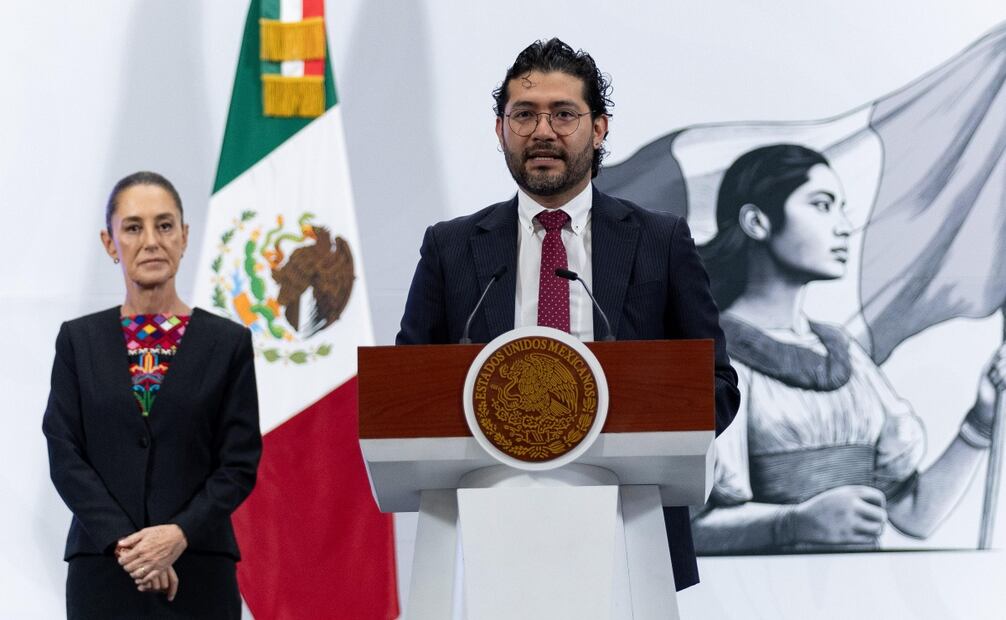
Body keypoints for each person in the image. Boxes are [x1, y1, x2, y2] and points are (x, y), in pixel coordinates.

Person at [396, 38, 740, 590]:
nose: (542, 131)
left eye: (563, 114)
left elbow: (717, 386)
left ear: (598, 129)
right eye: (524, 115)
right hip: (489, 528)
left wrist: (639, 430)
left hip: (630, 523)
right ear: (500, 130)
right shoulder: (452, 248)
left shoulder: (660, 240)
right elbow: (406, 393)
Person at [691, 144, 1006, 553]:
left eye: (842, 209)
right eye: (822, 205)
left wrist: (981, 421)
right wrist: (793, 523)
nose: (843, 227)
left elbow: (915, 515)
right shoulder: (712, 355)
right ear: (756, 221)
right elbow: (686, 530)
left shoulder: (845, 353)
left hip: (859, 586)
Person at [42, 171, 262, 618]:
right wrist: (130, 546)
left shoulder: (228, 343)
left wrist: (177, 535)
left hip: (199, 570)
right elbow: (65, 455)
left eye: (164, 225)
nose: (151, 241)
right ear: (109, 243)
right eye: (133, 227)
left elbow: (238, 464)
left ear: (184, 236)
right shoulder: (78, 341)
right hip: (103, 571)